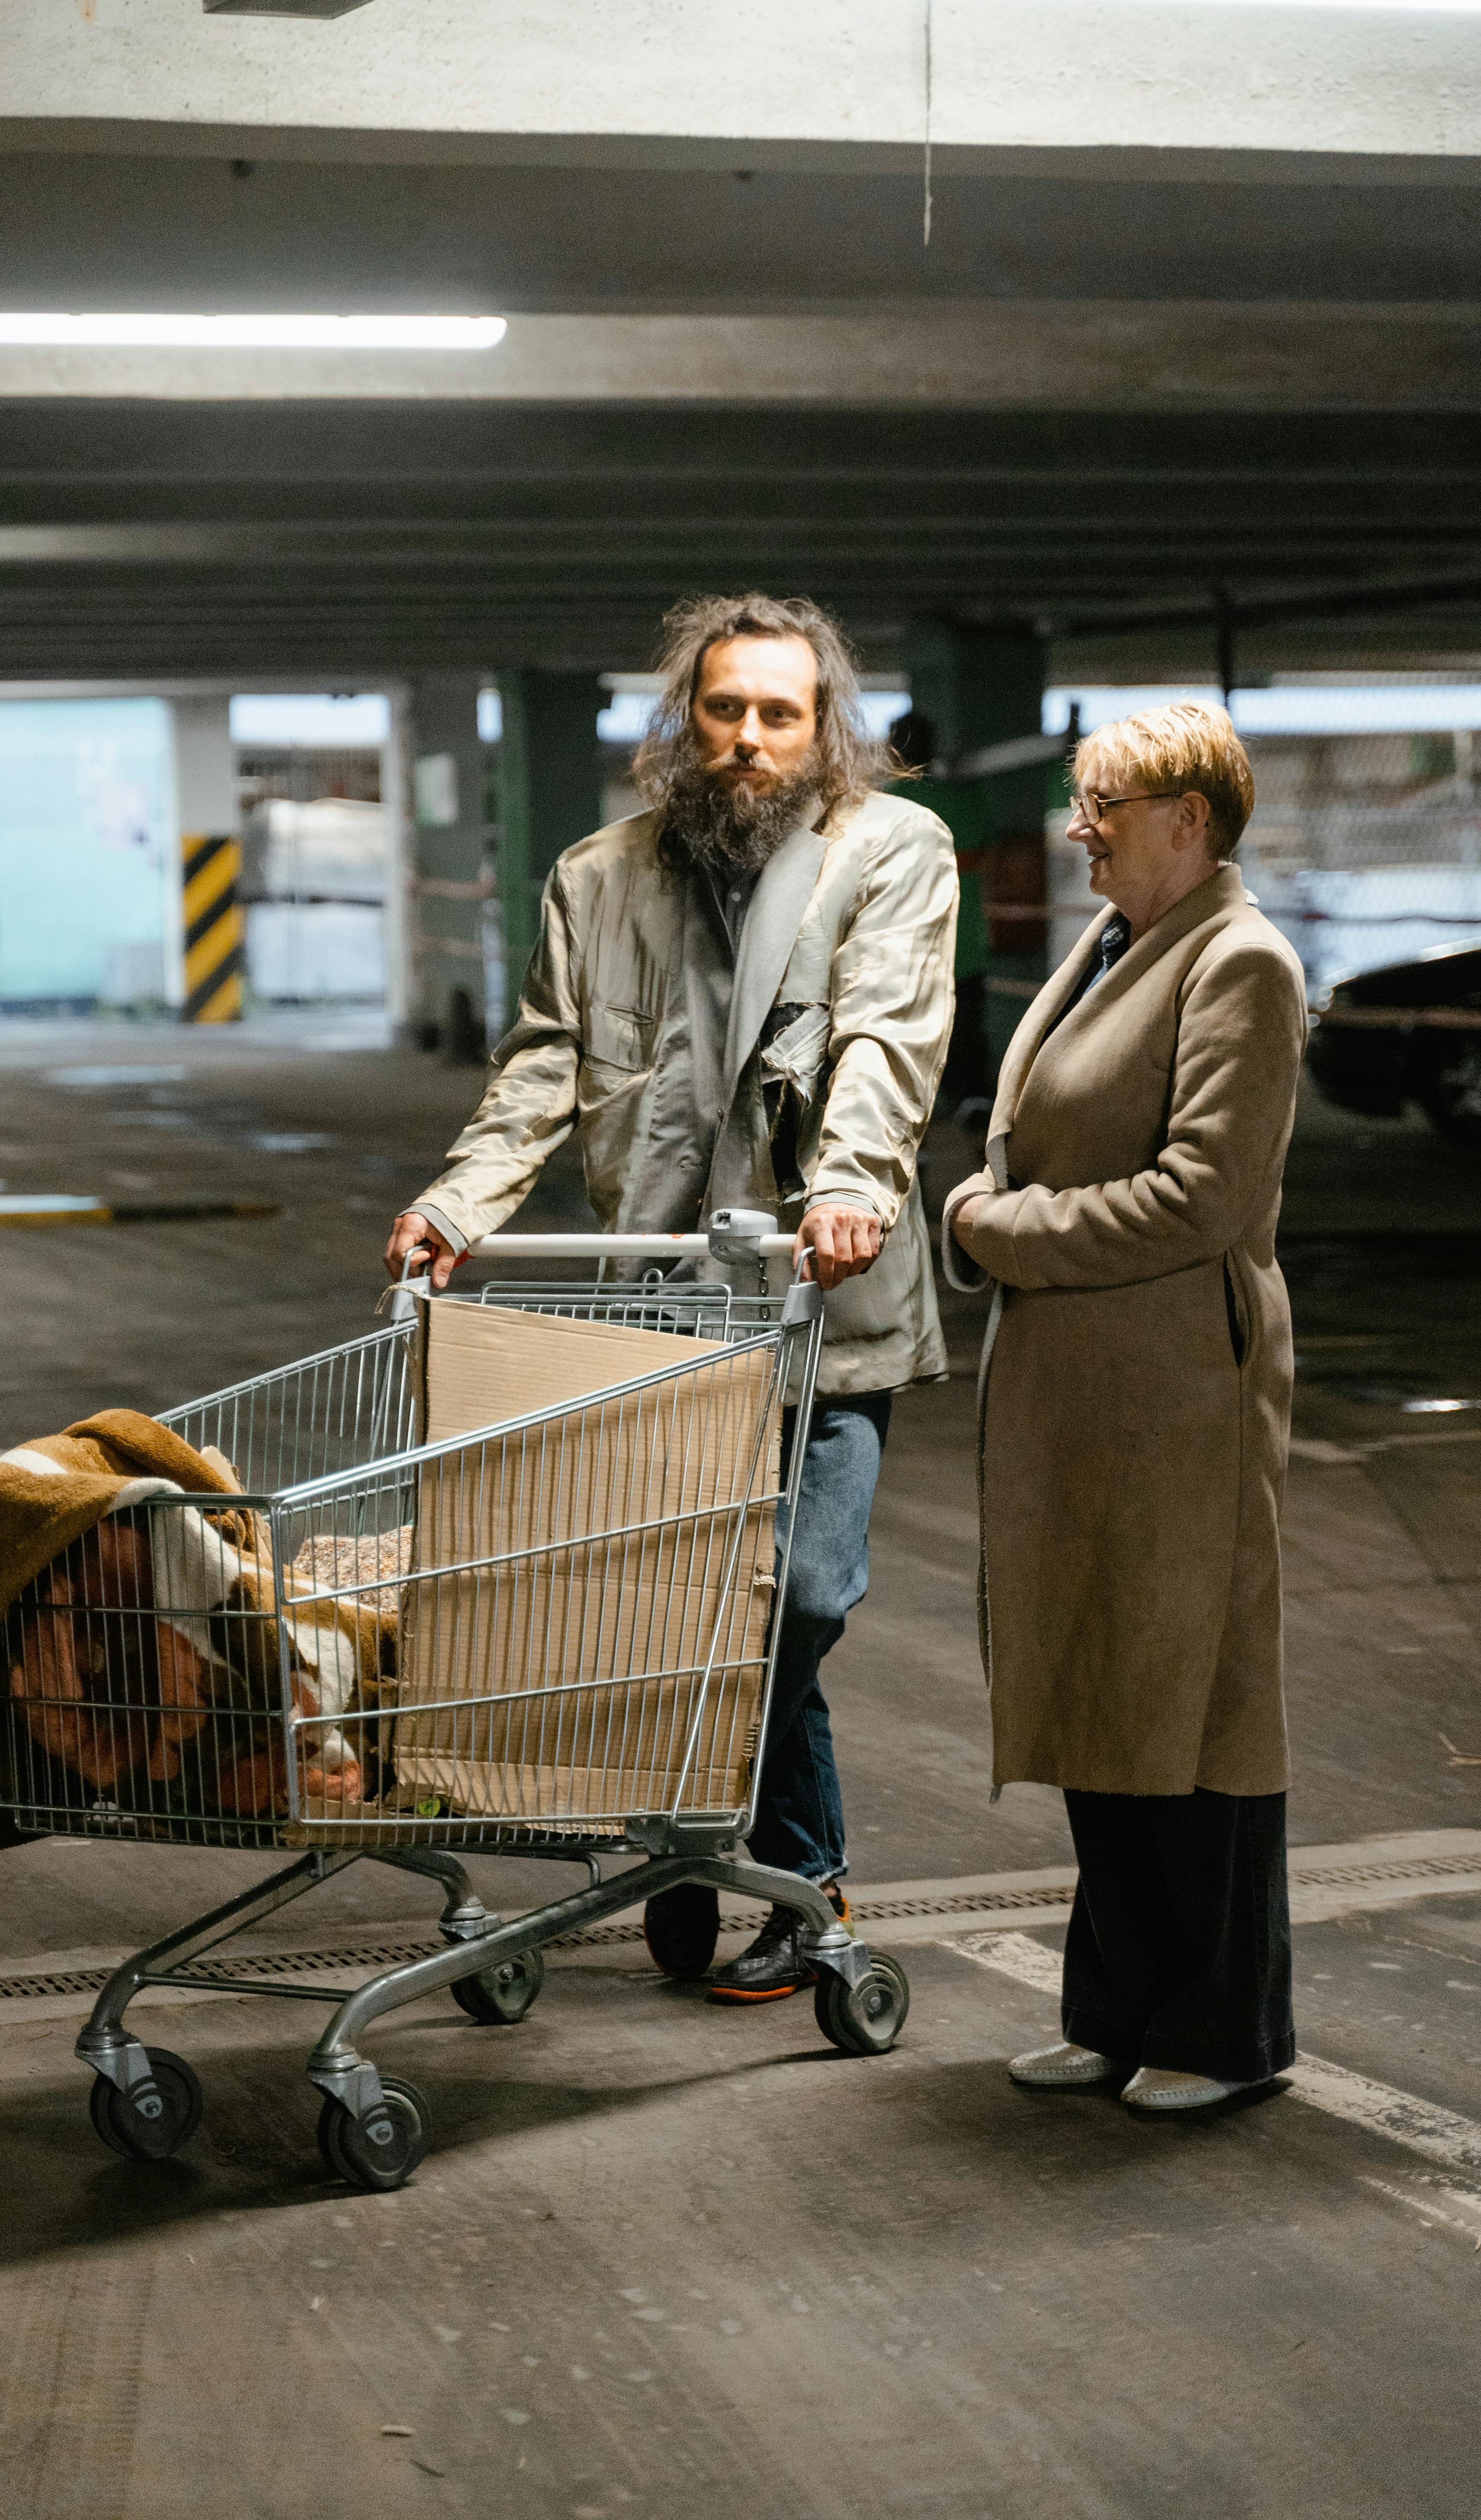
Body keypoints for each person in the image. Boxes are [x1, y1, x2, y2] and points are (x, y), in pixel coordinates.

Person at [387, 595, 959, 2001]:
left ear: (826, 725)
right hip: (657, 1308)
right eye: (726, 710)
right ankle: (755, 1868)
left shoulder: (893, 852)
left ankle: (753, 1851)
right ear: (683, 718)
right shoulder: (599, 875)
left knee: (801, 1600)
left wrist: (854, 1185)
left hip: (825, 1300)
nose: (752, 739)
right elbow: (540, 1067)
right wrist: (458, 1205)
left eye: (781, 712)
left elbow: (889, 1033)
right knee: (674, 1600)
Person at [943, 699, 1306, 2113]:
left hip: (1178, 1399)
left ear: (1190, 819)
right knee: (1105, 1690)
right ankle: (1116, 2011)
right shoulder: (1119, 948)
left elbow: (1201, 1199)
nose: (1077, 828)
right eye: (1081, 801)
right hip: (1086, 1396)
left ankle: (1221, 2032)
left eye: (1104, 804)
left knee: (1196, 1708)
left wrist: (998, 1231)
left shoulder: (1243, 964)